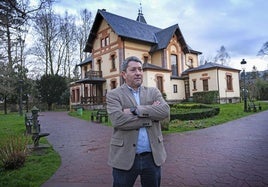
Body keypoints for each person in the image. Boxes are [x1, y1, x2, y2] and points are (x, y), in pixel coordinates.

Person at [106, 56, 170, 187]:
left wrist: (136, 110)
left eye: (140, 69)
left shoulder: (153, 92)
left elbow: (165, 112)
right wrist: (150, 115)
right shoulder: (114, 95)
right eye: (133, 70)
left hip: (152, 157)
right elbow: (118, 120)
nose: (138, 73)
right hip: (124, 157)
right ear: (124, 74)